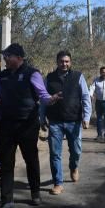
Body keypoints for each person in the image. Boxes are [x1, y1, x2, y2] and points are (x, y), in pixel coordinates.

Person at [0, 43, 62, 208]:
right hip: (7, 125)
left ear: (19, 58)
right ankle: (7, 201)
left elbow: (42, 95)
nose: (5, 59)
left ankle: (35, 192)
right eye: (5, 56)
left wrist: (52, 99)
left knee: (31, 159)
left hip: (27, 125)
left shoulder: (32, 73)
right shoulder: (3, 76)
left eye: (8, 56)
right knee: (6, 164)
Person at [40, 51, 92, 195]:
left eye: (67, 61)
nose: (64, 64)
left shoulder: (78, 77)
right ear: (57, 62)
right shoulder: (49, 78)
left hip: (73, 121)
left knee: (76, 151)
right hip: (55, 122)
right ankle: (58, 183)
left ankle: (73, 167)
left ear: (70, 62)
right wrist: (41, 117)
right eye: (62, 61)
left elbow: (86, 97)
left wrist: (86, 117)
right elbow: (43, 99)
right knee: (55, 153)